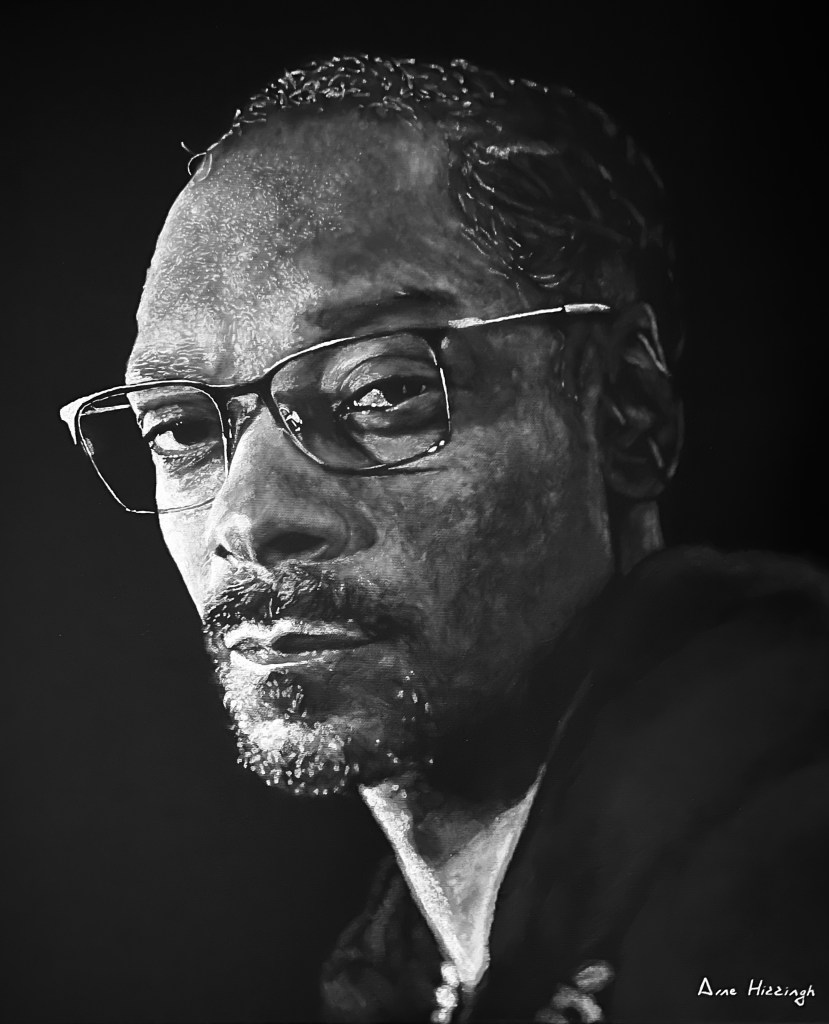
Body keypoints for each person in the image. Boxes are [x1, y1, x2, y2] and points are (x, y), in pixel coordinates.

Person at [59, 56, 828, 1022]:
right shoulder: (408, 975)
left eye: (382, 391)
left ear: (626, 408)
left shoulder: (785, 889)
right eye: (178, 429)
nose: (247, 520)